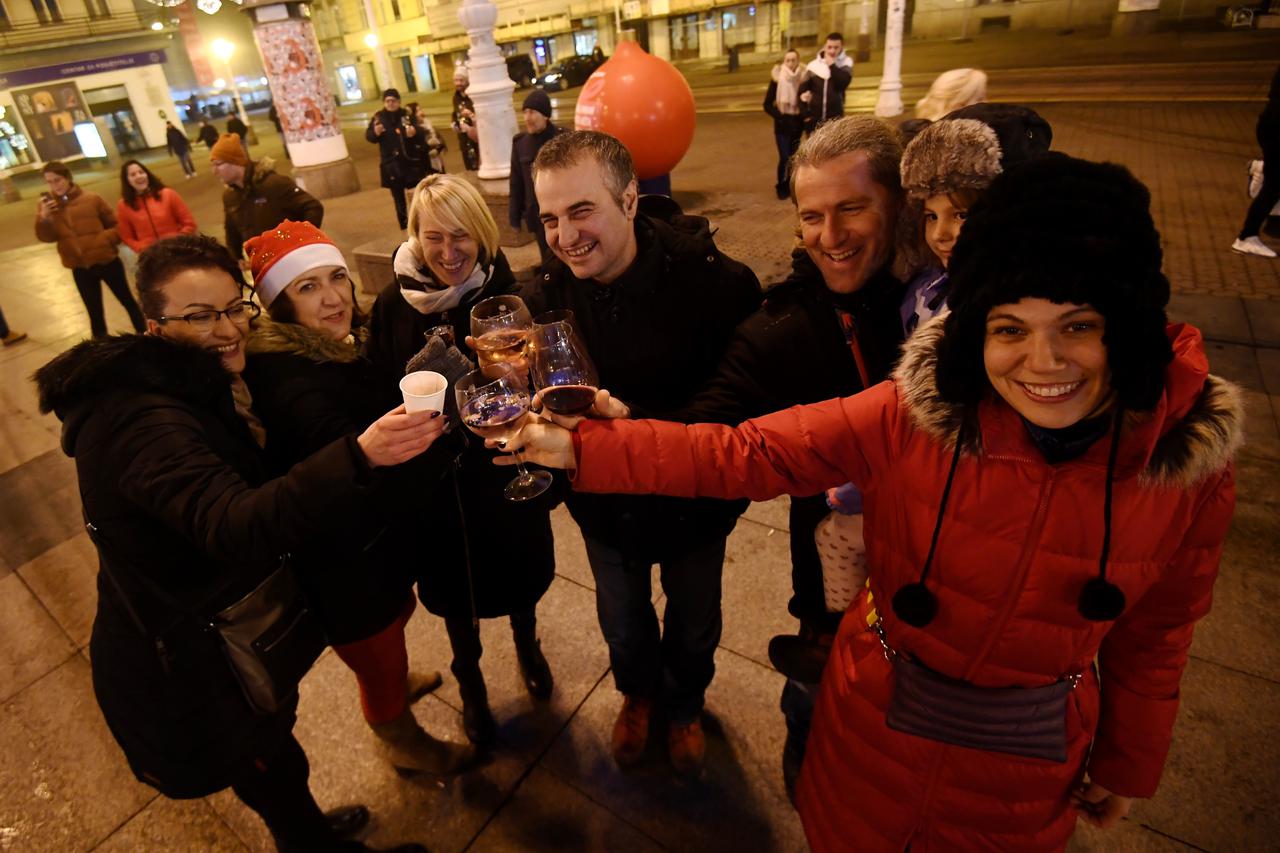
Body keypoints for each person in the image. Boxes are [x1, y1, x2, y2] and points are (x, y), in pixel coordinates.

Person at [504, 155, 1241, 851]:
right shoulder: (916, 413)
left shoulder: (1183, 465)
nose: (1043, 363)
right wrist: (583, 448)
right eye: (1009, 328)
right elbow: (746, 452)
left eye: (1079, 326)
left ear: (1131, 327)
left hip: (1024, 769)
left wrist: (1128, 759)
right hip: (871, 727)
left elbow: (1158, 633)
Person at [33, 233, 443, 853]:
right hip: (184, 666)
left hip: (214, 636)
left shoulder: (193, 385)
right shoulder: (144, 422)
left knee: (277, 763)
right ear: (154, 326)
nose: (226, 329)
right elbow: (231, 523)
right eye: (199, 316)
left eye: (232, 307)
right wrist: (358, 456)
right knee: (264, 767)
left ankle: (307, 832)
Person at [522, 130, 762, 775]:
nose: (566, 236)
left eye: (581, 211)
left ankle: (684, 703)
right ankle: (638, 695)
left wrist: (631, 427)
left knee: (694, 617)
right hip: (605, 509)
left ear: (630, 200)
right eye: (549, 218)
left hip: (695, 505)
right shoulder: (547, 293)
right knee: (623, 619)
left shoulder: (715, 284)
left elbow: (737, 403)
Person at [240, 221, 475, 776]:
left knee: (396, 619)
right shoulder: (294, 382)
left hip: (372, 551)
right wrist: (444, 440)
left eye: (337, 278)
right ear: (279, 303)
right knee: (378, 655)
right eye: (308, 287)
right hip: (343, 565)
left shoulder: (334, 348)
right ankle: (399, 736)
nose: (333, 298)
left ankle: (390, 681)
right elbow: (363, 473)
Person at [364, 174, 557, 747]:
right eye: (433, 238)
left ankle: (529, 644)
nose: (449, 253)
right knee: (455, 596)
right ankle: (469, 682)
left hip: (500, 471)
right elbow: (375, 392)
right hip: (434, 486)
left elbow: (544, 378)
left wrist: (520, 381)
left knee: (518, 577)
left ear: (483, 235)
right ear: (414, 238)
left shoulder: (507, 295)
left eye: (462, 237)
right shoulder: (391, 306)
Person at [897, 105, 1053, 335]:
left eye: (961, 215)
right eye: (931, 216)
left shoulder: (1027, 305)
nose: (940, 234)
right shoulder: (927, 287)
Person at [34, 160, 145, 338]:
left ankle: (145, 336)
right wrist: (44, 218)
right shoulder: (48, 208)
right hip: (80, 267)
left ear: (68, 178)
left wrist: (105, 240)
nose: (55, 185)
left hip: (106, 261)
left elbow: (117, 226)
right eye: (49, 182)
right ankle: (99, 351)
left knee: (128, 302)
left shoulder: (92, 199)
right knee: (94, 312)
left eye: (58, 180)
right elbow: (46, 237)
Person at [210, 133, 324, 261]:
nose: (214, 171)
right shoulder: (229, 196)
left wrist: (299, 242)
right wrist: (237, 259)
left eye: (218, 164)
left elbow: (313, 207)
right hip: (262, 264)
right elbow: (231, 232)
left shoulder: (274, 184)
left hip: (293, 260)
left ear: (235, 162)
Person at [1231, 62, 1280, 258]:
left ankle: (1262, 168)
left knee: (1275, 183)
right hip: (1277, 127)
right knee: (1273, 186)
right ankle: (1246, 237)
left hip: (1272, 123)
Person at [508, 90, 565, 257]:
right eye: (524, 112)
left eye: (532, 112)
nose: (527, 118)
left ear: (546, 115)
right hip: (539, 217)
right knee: (548, 260)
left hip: (563, 214)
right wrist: (514, 216)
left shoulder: (563, 138)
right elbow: (516, 182)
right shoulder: (520, 144)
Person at [367, 88, 430, 231]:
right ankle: (405, 226)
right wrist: (375, 133)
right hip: (391, 166)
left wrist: (414, 132)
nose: (390, 103)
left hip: (409, 163)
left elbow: (420, 132)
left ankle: (420, 224)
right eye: (387, 101)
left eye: (393, 100)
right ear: (384, 102)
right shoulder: (378, 117)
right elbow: (369, 136)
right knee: (399, 200)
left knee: (416, 197)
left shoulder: (406, 115)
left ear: (398, 101)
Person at [116, 160, 198, 255]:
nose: (139, 176)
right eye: (133, 175)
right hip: (150, 257)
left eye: (141, 172)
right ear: (127, 181)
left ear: (147, 174)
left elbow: (189, 223)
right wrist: (141, 248)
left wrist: (178, 241)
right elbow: (126, 236)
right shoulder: (123, 205)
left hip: (178, 251)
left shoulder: (168, 194)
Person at [764, 49, 804, 200]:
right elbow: (767, 104)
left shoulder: (802, 78)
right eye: (788, 60)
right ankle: (781, 185)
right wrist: (779, 116)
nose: (791, 63)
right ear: (784, 62)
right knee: (784, 157)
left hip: (797, 123)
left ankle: (790, 184)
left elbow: (806, 100)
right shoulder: (777, 79)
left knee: (794, 157)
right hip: (782, 125)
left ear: (798, 61)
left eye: (794, 60)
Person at [798, 32, 852, 134]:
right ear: (824, 47)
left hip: (835, 121)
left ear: (841, 47)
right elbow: (801, 91)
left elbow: (842, 84)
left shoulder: (846, 63)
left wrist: (831, 65)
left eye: (836, 47)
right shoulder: (813, 66)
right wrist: (806, 116)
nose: (832, 50)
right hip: (815, 120)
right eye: (829, 47)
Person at [451, 69, 480, 171]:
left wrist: (471, 114)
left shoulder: (474, 95)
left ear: (467, 81)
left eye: (461, 80)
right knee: (469, 167)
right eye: (456, 80)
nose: (458, 83)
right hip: (464, 139)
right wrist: (455, 123)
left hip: (476, 138)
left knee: (479, 165)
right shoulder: (456, 97)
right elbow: (455, 114)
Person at [407, 102, 447, 174]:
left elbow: (440, 141)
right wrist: (428, 145)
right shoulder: (412, 130)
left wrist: (437, 150)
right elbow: (414, 149)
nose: (421, 112)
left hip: (437, 161)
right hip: (425, 165)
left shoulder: (428, 124)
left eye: (421, 109)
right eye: (418, 111)